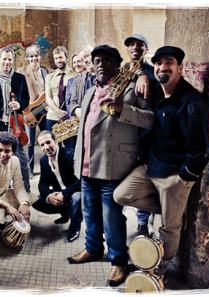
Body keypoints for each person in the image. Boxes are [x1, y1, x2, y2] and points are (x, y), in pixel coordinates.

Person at [113, 46, 209, 277]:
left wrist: (182, 180)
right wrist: (122, 108)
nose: (162, 67)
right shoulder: (160, 91)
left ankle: (160, 268)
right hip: (151, 167)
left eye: (168, 62)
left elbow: (202, 150)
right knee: (121, 195)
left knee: (168, 229)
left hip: (173, 176)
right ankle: (174, 211)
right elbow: (151, 119)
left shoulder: (192, 103)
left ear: (180, 67)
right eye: (158, 63)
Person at [67, 45, 154, 287]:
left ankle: (118, 260)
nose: (100, 64)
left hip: (113, 165)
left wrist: (121, 109)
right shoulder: (90, 92)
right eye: (97, 60)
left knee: (111, 217)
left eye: (106, 60)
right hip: (86, 165)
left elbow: (149, 120)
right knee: (89, 213)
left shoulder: (131, 88)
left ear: (117, 64)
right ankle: (92, 249)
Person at [0, 46, 32, 193]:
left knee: (22, 160)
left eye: (10, 59)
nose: (7, 62)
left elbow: (26, 99)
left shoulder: (19, 78)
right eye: (4, 59)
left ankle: (25, 191)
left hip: (16, 127)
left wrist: (19, 103)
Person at [123, 33, 159, 237]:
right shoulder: (122, 70)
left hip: (144, 137)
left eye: (140, 44)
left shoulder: (152, 73)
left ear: (146, 49)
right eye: (131, 45)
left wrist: (142, 74)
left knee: (142, 181)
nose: (135, 47)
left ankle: (143, 223)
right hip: (123, 134)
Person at [33, 130, 82, 242]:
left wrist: (64, 194)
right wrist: (49, 197)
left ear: (56, 141)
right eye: (42, 145)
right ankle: (65, 213)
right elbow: (42, 183)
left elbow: (81, 181)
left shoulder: (70, 155)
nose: (46, 147)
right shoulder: (44, 160)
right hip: (59, 191)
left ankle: (75, 228)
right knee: (36, 202)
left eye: (48, 142)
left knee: (76, 198)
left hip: (74, 191)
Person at [17, 44, 49, 176]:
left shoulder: (45, 71)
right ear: (27, 58)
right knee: (29, 142)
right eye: (31, 56)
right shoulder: (22, 71)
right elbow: (20, 93)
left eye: (36, 55)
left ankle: (48, 168)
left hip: (45, 109)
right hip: (30, 111)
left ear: (39, 57)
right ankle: (29, 170)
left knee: (47, 137)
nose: (34, 58)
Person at [44, 46, 76, 131]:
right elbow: (48, 98)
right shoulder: (49, 77)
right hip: (52, 116)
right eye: (56, 58)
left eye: (61, 57)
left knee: (70, 144)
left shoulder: (75, 75)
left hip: (70, 117)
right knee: (52, 142)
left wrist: (67, 114)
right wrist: (59, 112)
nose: (58, 60)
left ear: (67, 58)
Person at [69, 46, 96, 119]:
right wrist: (79, 111)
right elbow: (72, 103)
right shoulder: (77, 80)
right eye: (82, 59)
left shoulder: (107, 75)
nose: (85, 61)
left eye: (87, 56)